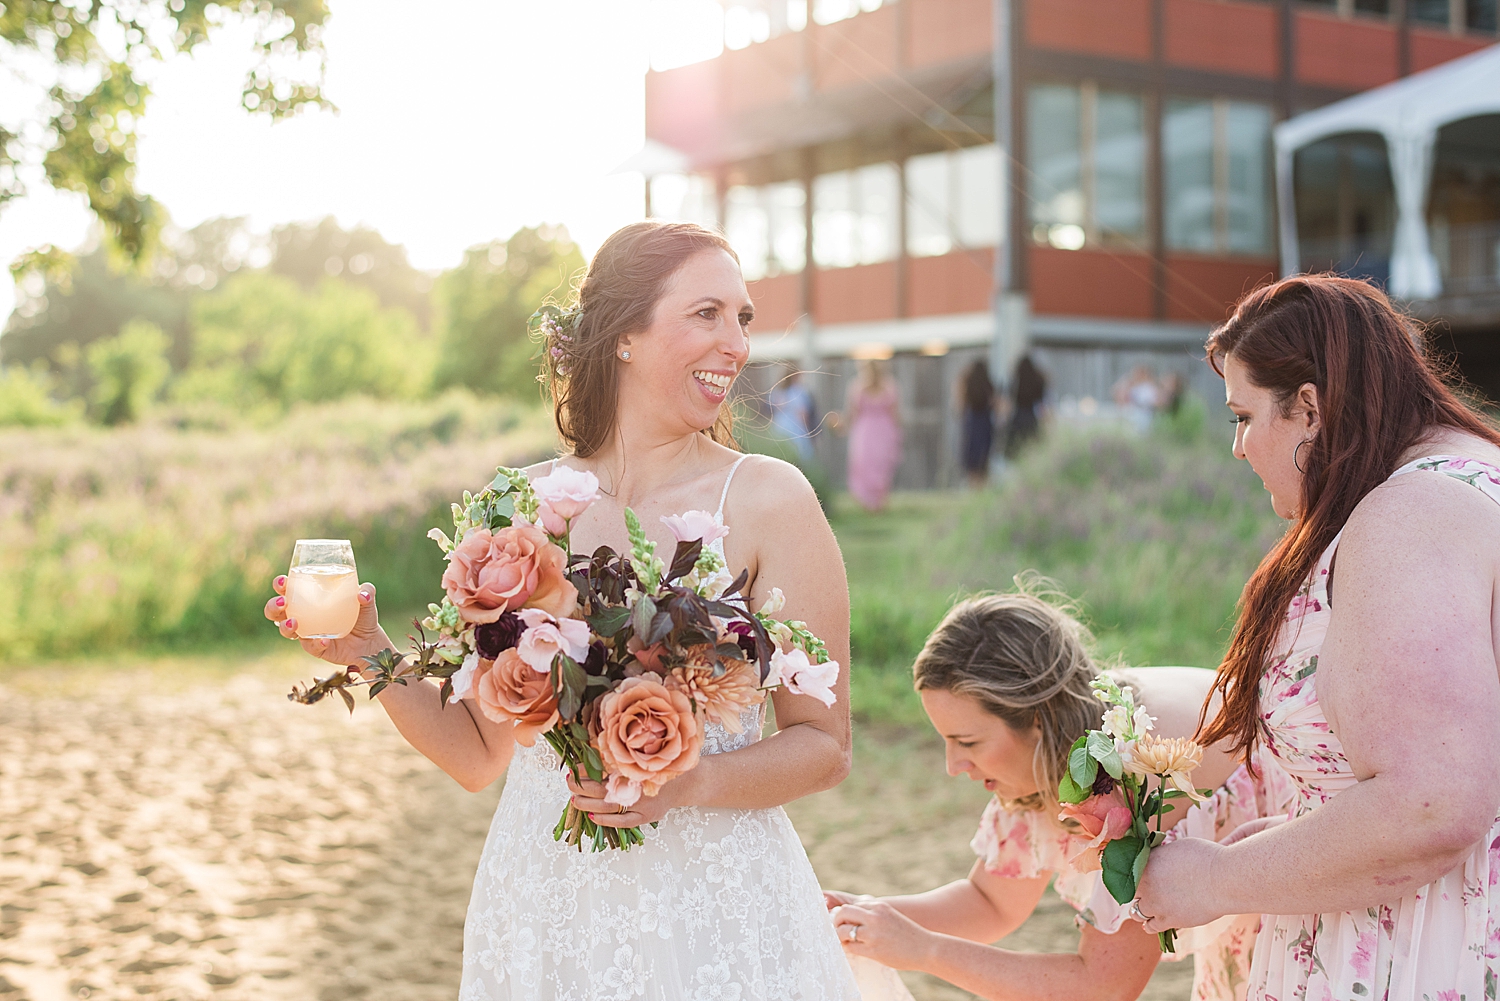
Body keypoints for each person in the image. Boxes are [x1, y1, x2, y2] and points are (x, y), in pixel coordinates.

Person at [264, 221, 861, 999]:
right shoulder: (513, 507)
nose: (738, 345)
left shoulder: (770, 500)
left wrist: (690, 781)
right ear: (624, 336)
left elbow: (824, 744)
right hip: (547, 900)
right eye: (707, 314)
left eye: (741, 319)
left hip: (715, 911)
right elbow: (478, 752)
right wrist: (370, 652)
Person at [1133, 275, 1500, 1000]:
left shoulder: (1411, 512)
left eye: (1243, 416)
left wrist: (1214, 878)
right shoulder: (1467, 477)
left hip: (1424, 958)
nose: (1238, 447)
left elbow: (1432, 804)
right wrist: (1286, 846)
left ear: (1309, 406)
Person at [824, 589, 1294, 1001]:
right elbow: (989, 902)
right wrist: (870, 914)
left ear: (1036, 721)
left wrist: (924, 950)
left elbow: (1104, 987)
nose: (953, 767)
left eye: (967, 743)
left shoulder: (1131, 772)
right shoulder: (1047, 756)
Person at [845, 358, 902, 511]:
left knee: (873, 465)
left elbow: (852, 415)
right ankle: (874, 503)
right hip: (879, 430)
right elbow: (895, 414)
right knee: (874, 465)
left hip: (869, 430)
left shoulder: (884, 387)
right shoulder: (861, 387)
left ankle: (875, 503)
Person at [959, 359, 996, 488]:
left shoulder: (968, 384)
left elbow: (960, 406)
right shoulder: (988, 386)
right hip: (985, 424)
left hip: (972, 423)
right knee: (983, 460)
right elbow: (995, 404)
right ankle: (982, 487)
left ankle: (973, 486)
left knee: (972, 461)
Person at [768, 365, 817, 462]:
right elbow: (803, 413)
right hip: (795, 428)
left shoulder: (778, 391)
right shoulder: (798, 392)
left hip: (779, 427)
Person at [1005, 354, 1046, 457]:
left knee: (1015, 452)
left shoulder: (1016, 382)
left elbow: (1009, 403)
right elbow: (1041, 404)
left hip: (1018, 418)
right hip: (1031, 417)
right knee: (1031, 451)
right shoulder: (1037, 381)